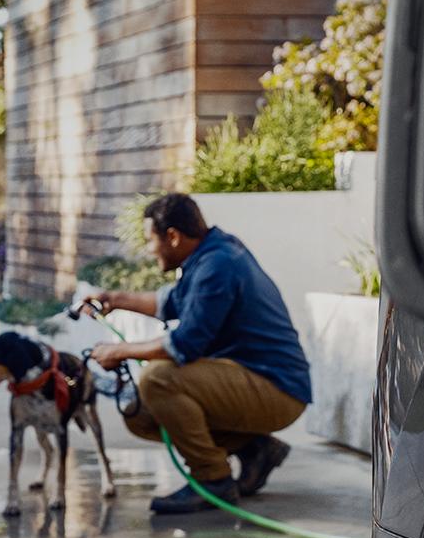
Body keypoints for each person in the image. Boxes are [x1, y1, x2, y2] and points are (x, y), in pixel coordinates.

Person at [86, 193, 311, 515]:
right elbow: (169, 303)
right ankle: (255, 449)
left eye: (150, 240)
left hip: (277, 389)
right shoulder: (210, 256)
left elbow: (183, 345)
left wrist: (120, 351)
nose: (149, 251)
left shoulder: (218, 265)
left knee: (158, 379)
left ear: (173, 236)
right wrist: (114, 298)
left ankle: (212, 481)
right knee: (142, 415)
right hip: (255, 382)